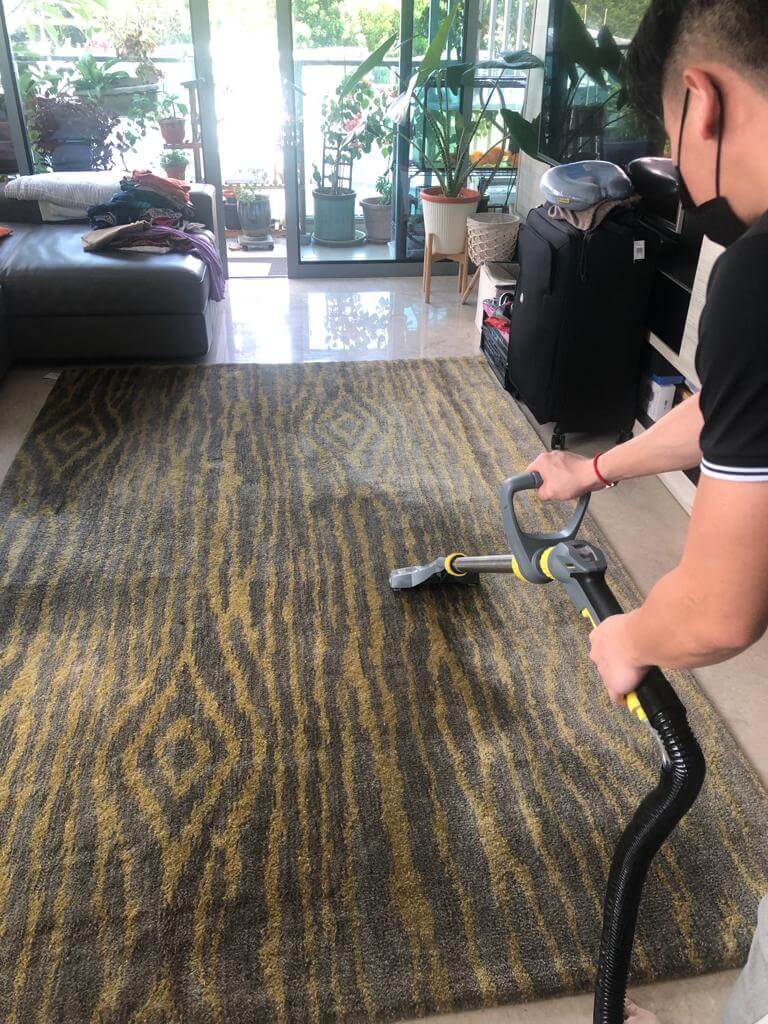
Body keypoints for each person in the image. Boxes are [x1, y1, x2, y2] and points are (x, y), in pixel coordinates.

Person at [526, 1, 768, 1021]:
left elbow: (714, 613)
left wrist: (628, 634)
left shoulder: (761, 274)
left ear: (701, 102)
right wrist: (597, 469)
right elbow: (733, 409)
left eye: (668, 136)